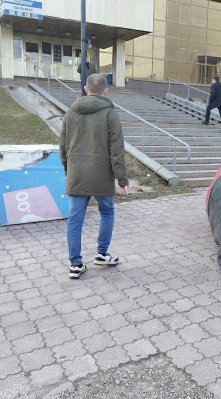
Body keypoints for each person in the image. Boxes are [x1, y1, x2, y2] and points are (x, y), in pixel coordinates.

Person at [59, 73, 129, 279]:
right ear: (106, 90)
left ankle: (75, 264)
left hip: (77, 173)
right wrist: (122, 179)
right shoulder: (110, 113)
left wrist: (68, 170)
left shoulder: (70, 113)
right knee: (107, 212)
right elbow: (117, 149)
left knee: (75, 219)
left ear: (85, 89)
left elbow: (62, 147)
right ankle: (102, 253)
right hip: (101, 174)